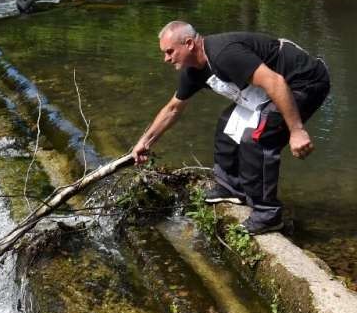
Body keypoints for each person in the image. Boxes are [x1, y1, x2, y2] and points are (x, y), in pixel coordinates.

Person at [132, 21, 330, 234]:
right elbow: (172, 109)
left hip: (302, 82)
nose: (166, 59)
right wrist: (144, 142)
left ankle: (267, 215)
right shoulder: (193, 71)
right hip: (271, 87)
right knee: (227, 124)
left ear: (189, 44)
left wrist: (297, 131)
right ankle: (231, 187)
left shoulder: (224, 54)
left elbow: (276, 83)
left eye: (170, 52)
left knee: (256, 138)